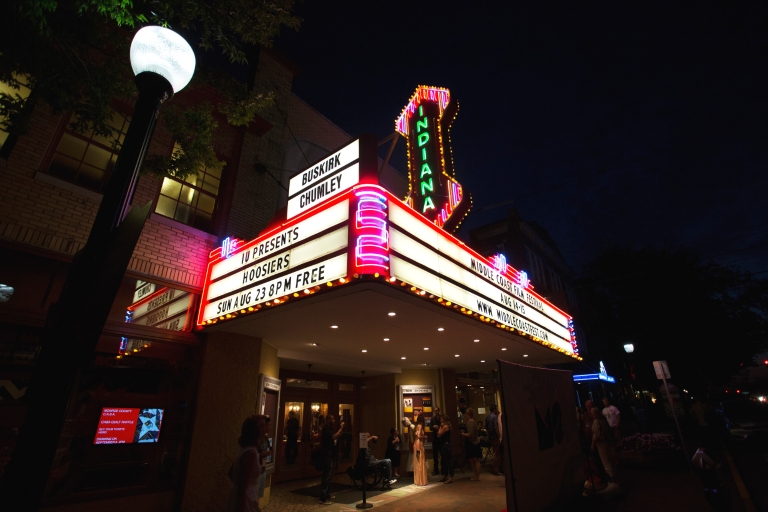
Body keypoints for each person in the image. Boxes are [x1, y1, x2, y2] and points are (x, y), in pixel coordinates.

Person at [226, 414, 268, 512]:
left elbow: (231, 473)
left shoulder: (247, 449)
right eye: (262, 426)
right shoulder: (251, 453)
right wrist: (243, 504)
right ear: (254, 430)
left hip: (247, 496)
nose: (265, 428)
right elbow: (243, 485)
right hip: (246, 500)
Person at [319, 414, 345, 505]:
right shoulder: (325, 429)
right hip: (327, 455)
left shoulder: (331, 429)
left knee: (329, 475)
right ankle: (322, 498)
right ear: (328, 420)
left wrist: (339, 432)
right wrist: (341, 428)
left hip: (332, 454)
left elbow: (336, 436)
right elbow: (333, 437)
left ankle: (327, 494)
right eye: (332, 419)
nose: (334, 421)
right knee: (326, 476)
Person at [591, 407, 618, 488]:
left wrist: (593, 443)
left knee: (605, 461)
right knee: (609, 459)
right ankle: (614, 478)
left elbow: (596, 434)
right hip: (607, 441)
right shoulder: (603, 420)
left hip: (601, 443)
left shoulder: (596, 421)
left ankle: (612, 480)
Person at [461, 407, 481, 481]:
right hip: (474, 442)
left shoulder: (471, 422)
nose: (465, 415)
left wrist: (463, 434)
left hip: (472, 443)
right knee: (473, 460)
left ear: (468, 414)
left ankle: (477, 476)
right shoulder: (472, 422)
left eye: (466, 413)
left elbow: (470, 434)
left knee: (475, 460)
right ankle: (476, 475)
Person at [257, 417, 272, 500]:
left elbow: (268, 448)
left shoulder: (265, 438)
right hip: (256, 470)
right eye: (268, 425)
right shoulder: (255, 440)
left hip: (263, 468)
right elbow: (252, 455)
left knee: (258, 495)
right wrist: (264, 454)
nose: (270, 427)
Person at [412, 414, 428, 485]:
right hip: (419, 443)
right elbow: (419, 436)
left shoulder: (416, 426)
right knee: (420, 461)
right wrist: (424, 437)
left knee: (417, 461)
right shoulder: (420, 426)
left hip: (416, 443)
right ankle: (421, 480)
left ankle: (418, 480)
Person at [437, 415, 454, 484]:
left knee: (448, 461)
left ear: (444, 420)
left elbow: (439, 434)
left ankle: (450, 477)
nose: (440, 420)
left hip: (446, 445)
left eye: (441, 418)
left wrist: (440, 427)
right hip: (443, 445)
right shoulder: (444, 426)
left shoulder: (446, 427)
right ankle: (445, 476)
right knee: (443, 461)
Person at [485, 405, 501, 475]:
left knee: (495, 452)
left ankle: (495, 468)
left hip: (490, 437)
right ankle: (496, 469)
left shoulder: (487, 417)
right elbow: (496, 427)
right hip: (495, 437)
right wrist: (499, 436)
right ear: (494, 409)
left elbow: (486, 427)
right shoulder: (494, 417)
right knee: (496, 453)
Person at [431, 406, 442, 475]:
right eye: (434, 411)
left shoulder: (441, 418)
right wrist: (433, 427)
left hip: (441, 438)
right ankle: (436, 470)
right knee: (435, 455)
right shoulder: (433, 419)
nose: (436, 412)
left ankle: (443, 469)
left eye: (437, 410)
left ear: (439, 410)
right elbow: (430, 427)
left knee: (442, 454)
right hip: (435, 438)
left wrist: (439, 427)